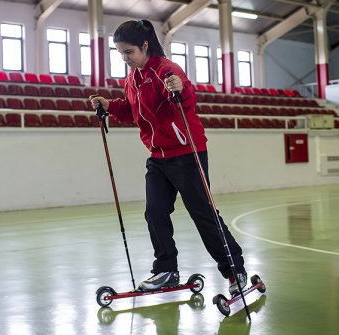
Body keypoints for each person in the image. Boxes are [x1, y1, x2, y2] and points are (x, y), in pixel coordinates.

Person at [90, 19, 247, 295]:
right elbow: (131, 110)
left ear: (145, 45)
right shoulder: (133, 78)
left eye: (129, 52)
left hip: (187, 153)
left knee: (204, 214)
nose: (125, 58)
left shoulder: (166, 69)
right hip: (158, 158)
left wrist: (180, 88)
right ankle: (166, 270)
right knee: (155, 212)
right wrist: (109, 106)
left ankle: (235, 270)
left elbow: (186, 98)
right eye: (121, 54)